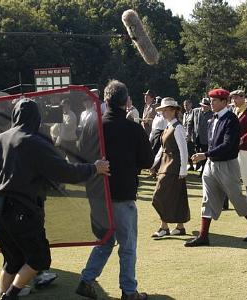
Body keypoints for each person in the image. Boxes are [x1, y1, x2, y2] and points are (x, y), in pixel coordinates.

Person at [0, 98, 110, 300]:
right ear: (36, 117)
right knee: (39, 259)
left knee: (12, 261)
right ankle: (10, 295)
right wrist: (94, 168)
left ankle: (5, 293)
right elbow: (65, 172)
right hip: (21, 211)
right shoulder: (34, 142)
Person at [77, 80, 153, 300]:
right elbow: (147, 160)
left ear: (106, 100)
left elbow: (81, 155)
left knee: (105, 240)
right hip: (122, 193)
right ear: (126, 101)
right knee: (127, 245)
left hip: (98, 193)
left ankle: (87, 278)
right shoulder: (132, 127)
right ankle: (129, 291)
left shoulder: (93, 126)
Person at [184, 88, 247, 247]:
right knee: (207, 199)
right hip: (211, 164)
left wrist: (204, 154)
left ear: (224, 102)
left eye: (214, 101)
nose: (211, 103)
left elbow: (228, 145)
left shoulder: (231, 119)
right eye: (211, 100)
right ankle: (203, 235)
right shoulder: (213, 119)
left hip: (227, 165)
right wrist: (206, 156)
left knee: (236, 197)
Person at [150, 98, 190, 237]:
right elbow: (162, 149)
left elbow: (183, 150)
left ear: (174, 111)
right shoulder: (167, 126)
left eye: (167, 110)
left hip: (173, 167)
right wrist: (154, 164)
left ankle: (164, 227)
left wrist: (183, 170)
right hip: (165, 164)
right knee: (175, 196)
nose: (164, 112)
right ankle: (179, 227)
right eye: (163, 110)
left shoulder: (178, 127)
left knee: (160, 196)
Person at [192, 98, 213, 175]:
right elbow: (191, 123)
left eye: (206, 106)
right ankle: (201, 167)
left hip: (207, 138)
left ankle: (204, 170)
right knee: (197, 152)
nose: (204, 107)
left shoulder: (212, 114)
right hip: (197, 137)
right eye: (202, 106)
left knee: (205, 154)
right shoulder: (195, 111)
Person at [182, 99, 195, 171]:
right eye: (184, 105)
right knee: (186, 151)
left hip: (191, 136)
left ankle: (194, 165)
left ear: (191, 105)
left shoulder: (193, 113)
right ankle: (191, 165)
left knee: (191, 151)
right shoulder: (185, 114)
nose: (185, 106)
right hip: (185, 136)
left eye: (187, 105)